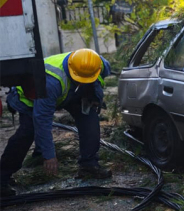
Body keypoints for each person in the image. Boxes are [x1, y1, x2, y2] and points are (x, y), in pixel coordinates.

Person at [1, 49, 112, 198]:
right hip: (30, 98)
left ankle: (89, 165)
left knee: (89, 119)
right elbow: (42, 120)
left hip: (69, 92)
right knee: (27, 133)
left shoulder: (98, 64)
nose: (82, 81)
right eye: (80, 78)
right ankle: (2, 178)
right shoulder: (50, 82)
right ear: (72, 70)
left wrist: (93, 96)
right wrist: (49, 156)